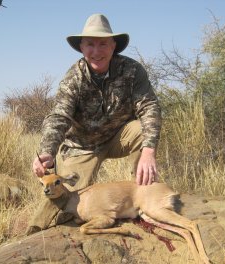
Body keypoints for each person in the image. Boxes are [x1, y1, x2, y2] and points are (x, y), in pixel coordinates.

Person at [33, 13, 162, 190]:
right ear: (82, 48)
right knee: (70, 200)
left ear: (113, 46)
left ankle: (143, 194)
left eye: (103, 44)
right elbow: (59, 116)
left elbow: (149, 107)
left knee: (141, 130)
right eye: (90, 44)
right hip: (83, 146)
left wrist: (148, 151)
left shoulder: (132, 70)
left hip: (119, 137)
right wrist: (47, 151)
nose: (96, 51)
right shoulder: (73, 78)